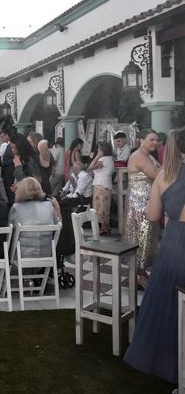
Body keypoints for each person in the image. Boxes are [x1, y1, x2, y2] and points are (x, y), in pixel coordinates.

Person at [124, 128, 185, 384]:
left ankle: (167, 358)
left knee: (165, 301)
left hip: (172, 244)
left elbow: (151, 215)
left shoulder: (164, 175)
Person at [122, 128, 161, 288]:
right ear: (141, 140)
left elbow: (161, 170)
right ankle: (139, 274)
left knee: (148, 238)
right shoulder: (138, 156)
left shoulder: (149, 156)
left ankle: (139, 273)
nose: (155, 142)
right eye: (151, 139)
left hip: (147, 204)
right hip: (139, 206)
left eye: (156, 140)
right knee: (141, 239)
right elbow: (158, 174)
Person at [9, 177, 60, 263]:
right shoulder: (49, 205)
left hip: (22, 256)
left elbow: (10, 232)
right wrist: (58, 209)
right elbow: (58, 226)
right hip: (46, 254)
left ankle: (19, 274)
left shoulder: (16, 208)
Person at [88, 141, 115, 235]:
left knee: (100, 206)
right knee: (105, 205)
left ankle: (103, 227)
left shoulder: (103, 159)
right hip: (106, 183)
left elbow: (91, 167)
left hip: (101, 184)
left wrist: (97, 156)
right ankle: (106, 226)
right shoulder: (110, 158)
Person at [0, 130, 15, 205]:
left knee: (10, 191)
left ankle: (12, 205)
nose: (1, 139)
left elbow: (14, 159)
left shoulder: (11, 146)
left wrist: (4, 163)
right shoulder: (5, 145)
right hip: (6, 172)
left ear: (7, 135)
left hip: (10, 172)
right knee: (7, 190)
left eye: (2, 137)